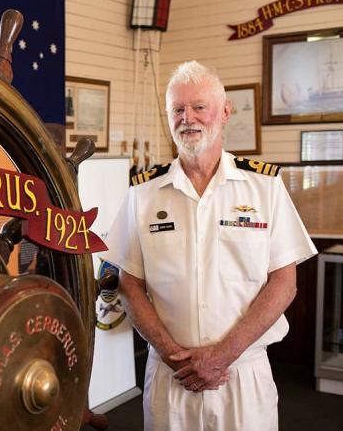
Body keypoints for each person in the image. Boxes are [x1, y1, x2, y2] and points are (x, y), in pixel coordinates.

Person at [103, 60, 316, 431]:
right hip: (172, 377)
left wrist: (222, 355)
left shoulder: (264, 187)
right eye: (178, 109)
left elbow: (284, 282)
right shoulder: (143, 193)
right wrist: (174, 356)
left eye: (199, 107)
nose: (188, 118)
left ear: (225, 112)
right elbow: (128, 284)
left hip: (242, 376)